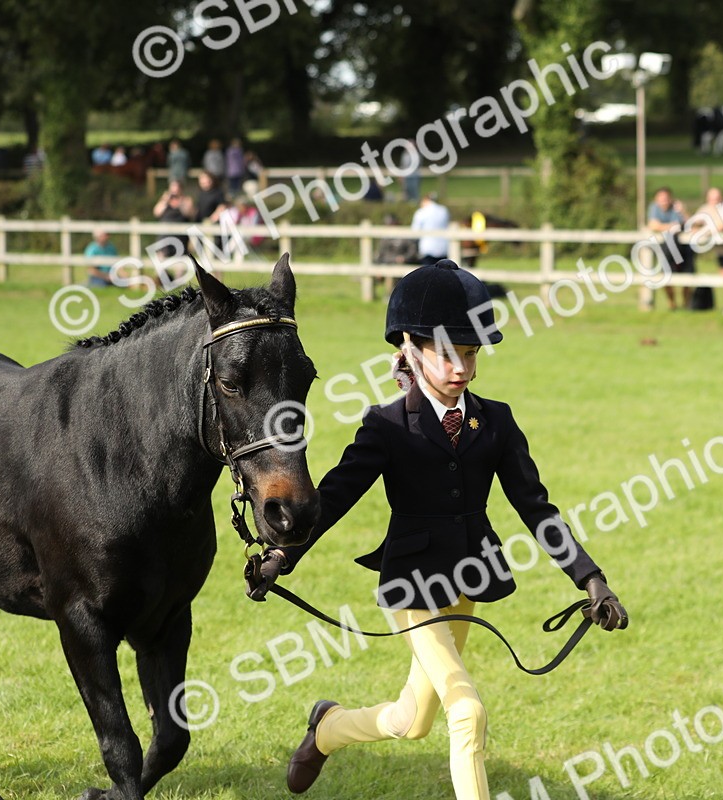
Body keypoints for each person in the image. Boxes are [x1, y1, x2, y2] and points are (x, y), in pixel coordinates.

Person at [247, 259, 628, 800]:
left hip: (470, 579)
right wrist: (282, 557)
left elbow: (536, 508)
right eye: (449, 354)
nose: (462, 369)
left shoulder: (496, 420)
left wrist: (591, 579)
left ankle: (327, 729)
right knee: (466, 710)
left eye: (471, 354)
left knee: (412, 719)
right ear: (409, 346)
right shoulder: (385, 425)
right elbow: (334, 498)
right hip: (412, 584)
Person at [690, 188, 723, 315]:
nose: (714, 201)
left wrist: (702, 231)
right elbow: (692, 224)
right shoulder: (705, 209)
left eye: (717, 198)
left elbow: (720, 226)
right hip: (720, 251)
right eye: (712, 198)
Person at [647, 187, 691, 310]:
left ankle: (686, 304)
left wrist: (683, 211)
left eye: (666, 199)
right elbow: (653, 225)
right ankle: (672, 303)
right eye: (661, 199)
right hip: (667, 250)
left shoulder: (677, 207)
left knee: (687, 275)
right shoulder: (654, 208)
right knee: (665, 275)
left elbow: (686, 224)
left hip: (682, 248)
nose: (664, 201)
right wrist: (669, 227)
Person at [153, 180, 196, 280]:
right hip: (165, 235)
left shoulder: (186, 200)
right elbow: (156, 212)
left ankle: (177, 282)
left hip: (180, 236)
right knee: (160, 257)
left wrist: (180, 202)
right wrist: (165, 200)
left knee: (180, 259)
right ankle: (166, 280)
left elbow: (189, 214)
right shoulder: (165, 200)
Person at [412, 193, 450, 264]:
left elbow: (415, 231)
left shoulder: (421, 212)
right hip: (443, 248)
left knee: (428, 273)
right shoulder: (444, 210)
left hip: (427, 249)